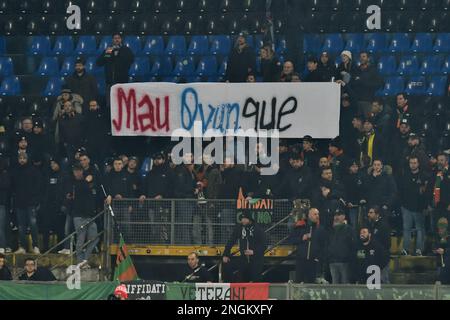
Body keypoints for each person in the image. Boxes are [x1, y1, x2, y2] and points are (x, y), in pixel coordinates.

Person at [66, 164, 98, 267]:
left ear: (82, 171)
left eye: (79, 170)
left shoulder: (88, 182)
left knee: (94, 238)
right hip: (78, 215)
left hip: (90, 215)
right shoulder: (74, 182)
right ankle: (80, 261)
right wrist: (87, 181)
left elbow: (93, 190)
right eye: (75, 171)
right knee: (81, 239)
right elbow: (79, 190)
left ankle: (84, 259)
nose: (77, 172)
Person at [222, 210, 267, 282]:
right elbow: (231, 240)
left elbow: (264, 245)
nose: (243, 221)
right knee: (239, 277)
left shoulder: (258, 229)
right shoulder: (239, 228)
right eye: (242, 219)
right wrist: (225, 254)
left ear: (249, 219)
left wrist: (253, 252)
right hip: (244, 259)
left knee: (256, 280)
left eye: (245, 219)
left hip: (256, 260)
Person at [11, 153, 43, 254]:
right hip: (20, 203)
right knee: (21, 226)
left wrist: (36, 200)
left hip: (31, 203)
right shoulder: (15, 171)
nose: (22, 160)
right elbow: (13, 187)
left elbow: (38, 186)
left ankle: (36, 246)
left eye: (24, 158)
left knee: (33, 224)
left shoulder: (34, 170)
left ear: (27, 159)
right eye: (20, 158)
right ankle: (22, 247)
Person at [399, 156, 431, 256]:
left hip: (419, 207)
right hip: (406, 207)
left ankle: (419, 250)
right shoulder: (405, 175)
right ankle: (405, 249)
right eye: (411, 163)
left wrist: (425, 206)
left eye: (414, 162)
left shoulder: (424, 176)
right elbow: (402, 191)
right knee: (406, 228)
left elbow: (426, 193)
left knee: (420, 229)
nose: (413, 164)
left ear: (418, 164)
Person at [289, 208, 327, 283]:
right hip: (301, 260)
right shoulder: (300, 227)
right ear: (309, 215)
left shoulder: (321, 229)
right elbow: (291, 240)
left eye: (318, 214)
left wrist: (319, 257)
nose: (317, 216)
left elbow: (324, 245)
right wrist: (302, 238)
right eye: (315, 214)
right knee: (299, 282)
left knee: (311, 283)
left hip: (314, 261)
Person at [96, 33, 135, 101]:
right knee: (110, 102)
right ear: (112, 40)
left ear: (121, 39)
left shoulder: (126, 49)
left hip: (122, 81)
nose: (117, 40)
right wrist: (108, 53)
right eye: (115, 38)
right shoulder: (109, 50)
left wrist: (119, 54)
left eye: (118, 38)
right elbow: (99, 63)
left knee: (122, 102)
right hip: (110, 81)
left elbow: (131, 60)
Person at [41, 157, 68, 253]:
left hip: (59, 206)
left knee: (59, 228)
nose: (53, 166)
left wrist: (63, 204)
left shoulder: (64, 175)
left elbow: (65, 191)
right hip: (48, 206)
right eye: (51, 164)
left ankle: (60, 247)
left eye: (54, 164)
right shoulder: (48, 175)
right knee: (46, 227)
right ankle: (45, 247)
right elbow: (45, 190)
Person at [328, 210, 355, 284]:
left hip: (345, 263)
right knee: (335, 286)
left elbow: (353, 246)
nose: (336, 217)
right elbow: (327, 244)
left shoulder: (349, 229)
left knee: (345, 285)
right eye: (335, 215)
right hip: (332, 262)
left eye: (339, 215)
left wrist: (348, 258)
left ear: (343, 217)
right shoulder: (330, 230)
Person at [367, 206, 391, 283]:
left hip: (382, 257)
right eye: (368, 212)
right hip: (373, 258)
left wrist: (381, 251)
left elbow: (387, 242)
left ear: (377, 214)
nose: (368, 214)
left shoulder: (383, 225)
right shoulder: (370, 225)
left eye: (371, 213)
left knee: (384, 280)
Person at [83, 100, 109, 165]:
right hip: (91, 143)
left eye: (94, 105)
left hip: (101, 143)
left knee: (101, 161)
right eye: (91, 106)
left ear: (97, 106)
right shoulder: (86, 116)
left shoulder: (103, 116)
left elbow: (105, 129)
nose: (92, 107)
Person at [343, 160, 364, 228]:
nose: (355, 168)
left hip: (359, 205)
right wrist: (348, 202)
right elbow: (345, 192)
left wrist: (362, 199)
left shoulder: (361, 177)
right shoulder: (346, 178)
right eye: (353, 166)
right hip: (350, 205)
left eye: (356, 166)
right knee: (352, 224)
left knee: (359, 224)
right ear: (349, 167)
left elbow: (363, 190)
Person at [432, 218, 450, 284]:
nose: (441, 230)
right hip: (439, 263)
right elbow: (433, 247)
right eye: (440, 228)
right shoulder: (436, 236)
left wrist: (444, 251)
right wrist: (435, 250)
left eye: (443, 228)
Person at [0, 156, 11, 253]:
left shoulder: (5, 174)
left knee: (1, 226)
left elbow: (6, 186)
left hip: (2, 204)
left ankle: (2, 246)